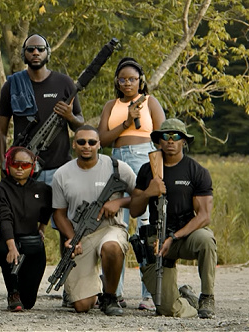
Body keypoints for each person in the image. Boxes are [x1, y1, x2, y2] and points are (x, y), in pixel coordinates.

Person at [0, 33, 84, 307]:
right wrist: (2, 162)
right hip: (24, 169)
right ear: (24, 53)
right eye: (30, 49)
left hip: (59, 167)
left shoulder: (63, 83)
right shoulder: (12, 85)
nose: (35, 53)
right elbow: (0, 129)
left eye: (40, 49)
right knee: (21, 230)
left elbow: (81, 125)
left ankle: (70, 290)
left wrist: (69, 116)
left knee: (65, 229)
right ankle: (18, 290)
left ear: (47, 52)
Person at [97, 57, 166, 310]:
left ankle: (148, 294)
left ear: (141, 80)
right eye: (123, 79)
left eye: (132, 79)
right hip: (117, 161)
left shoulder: (150, 102)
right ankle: (116, 292)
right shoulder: (111, 105)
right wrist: (126, 122)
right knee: (118, 224)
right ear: (117, 81)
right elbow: (102, 139)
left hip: (144, 159)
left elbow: (161, 137)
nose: (127, 83)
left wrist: (158, 174)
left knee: (146, 225)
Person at [129, 118, 216, 319]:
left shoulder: (197, 171)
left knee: (206, 240)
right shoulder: (147, 169)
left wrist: (175, 237)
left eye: (175, 136)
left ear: (183, 141)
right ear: (158, 140)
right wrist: (147, 192)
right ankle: (188, 300)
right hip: (158, 240)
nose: (170, 140)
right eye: (165, 136)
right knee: (166, 309)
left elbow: (204, 216)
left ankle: (207, 297)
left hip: (185, 236)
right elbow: (134, 210)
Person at [51, 126, 136, 316]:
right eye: (81, 142)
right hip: (82, 235)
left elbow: (140, 196)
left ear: (99, 144)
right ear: (74, 145)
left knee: (112, 247)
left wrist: (119, 202)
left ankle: (110, 296)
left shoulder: (117, 167)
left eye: (92, 142)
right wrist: (72, 238)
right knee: (82, 305)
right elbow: (59, 214)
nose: (86, 146)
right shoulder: (62, 174)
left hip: (110, 228)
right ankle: (96, 282)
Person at [0, 147, 52, 312]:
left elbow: (48, 209)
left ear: (32, 166)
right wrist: (11, 246)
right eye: (15, 164)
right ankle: (12, 292)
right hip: (9, 240)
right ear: (8, 165)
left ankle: (22, 293)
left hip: (32, 242)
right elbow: (4, 218)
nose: (20, 168)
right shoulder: (2, 189)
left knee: (28, 302)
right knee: (5, 251)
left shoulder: (42, 189)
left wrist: (42, 227)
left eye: (25, 165)